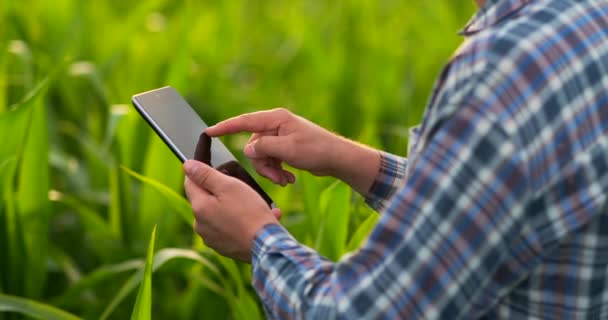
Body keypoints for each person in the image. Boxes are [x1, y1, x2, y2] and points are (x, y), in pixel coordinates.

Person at [183, 0, 608, 318]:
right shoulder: (585, 20)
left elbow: (369, 311)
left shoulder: (500, 72)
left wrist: (258, 241)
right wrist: (353, 161)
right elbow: (500, 205)